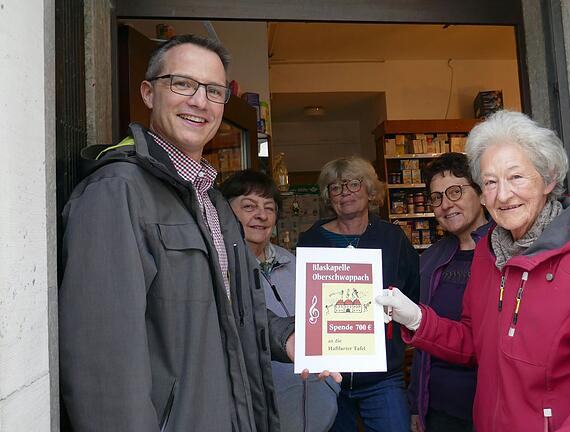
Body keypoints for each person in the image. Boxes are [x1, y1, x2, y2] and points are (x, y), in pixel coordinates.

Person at [59, 34, 337, 432]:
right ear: (149, 93)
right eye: (183, 84)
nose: (199, 101)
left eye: (213, 91)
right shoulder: (117, 191)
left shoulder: (212, 199)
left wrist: (291, 337)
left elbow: (234, 309)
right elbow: (101, 362)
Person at [378, 110, 570, 431]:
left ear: (548, 178)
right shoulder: (487, 252)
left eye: (516, 176)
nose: (503, 195)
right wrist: (417, 319)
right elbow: (473, 343)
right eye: (490, 182)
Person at [297, 156, 419, 432]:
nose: (345, 193)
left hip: (382, 375)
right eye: (336, 188)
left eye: (353, 184)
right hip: (327, 377)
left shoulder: (393, 238)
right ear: (329, 197)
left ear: (370, 190)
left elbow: (412, 293)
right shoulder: (311, 240)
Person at [221, 170, 340, 432]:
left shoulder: (298, 266)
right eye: (249, 206)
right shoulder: (221, 273)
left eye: (269, 208)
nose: (261, 215)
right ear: (225, 213)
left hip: (321, 417)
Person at [407, 153, 490, 432]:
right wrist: (417, 404)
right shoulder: (431, 259)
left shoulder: (503, 251)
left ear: (480, 193)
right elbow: (423, 343)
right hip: (439, 410)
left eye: (455, 191)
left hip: (490, 407)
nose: (446, 204)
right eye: (436, 197)